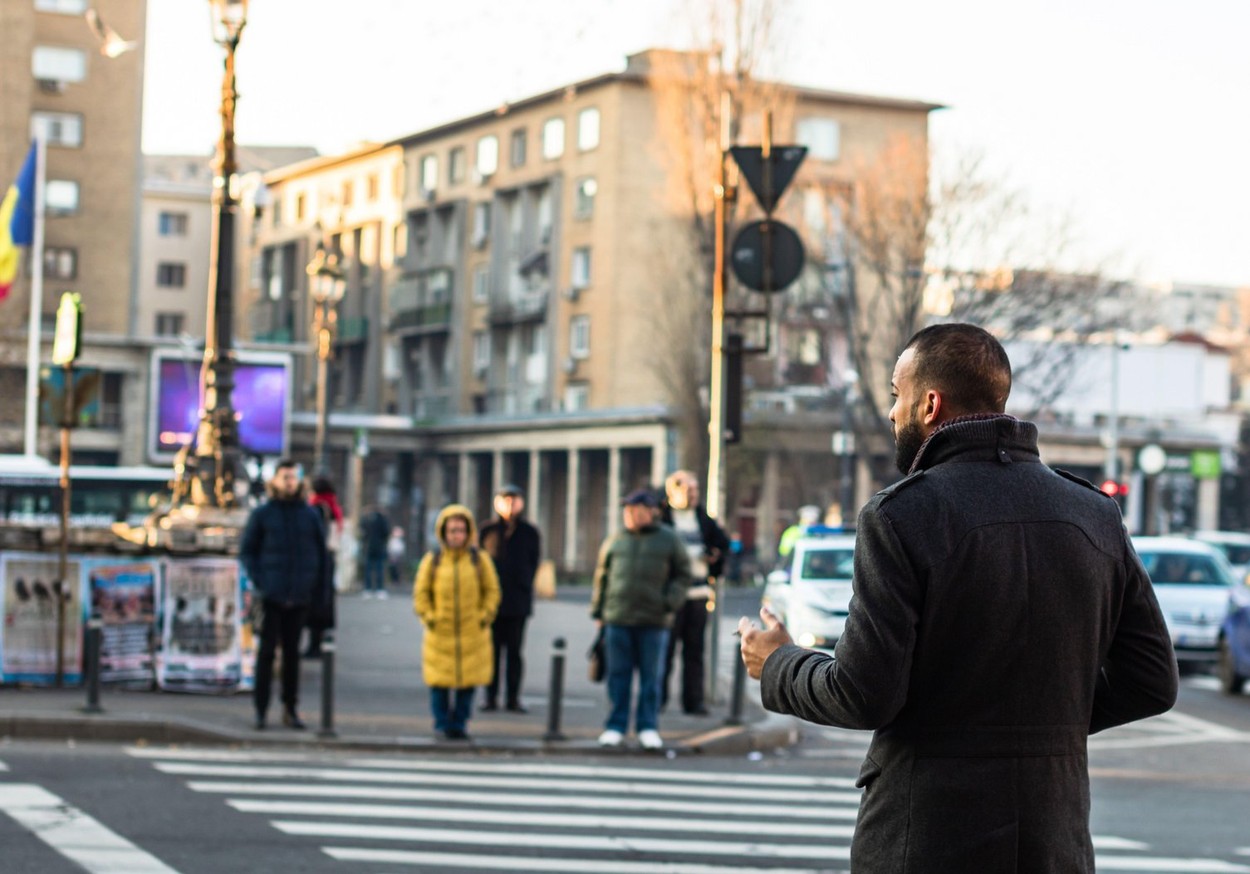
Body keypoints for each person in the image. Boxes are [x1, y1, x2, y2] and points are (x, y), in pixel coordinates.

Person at [739, 323, 1178, 873]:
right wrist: (1043, 722)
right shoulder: (1094, 514)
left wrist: (776, 663)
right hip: (1054, 840)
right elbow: (1152, 682)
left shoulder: (902, 515)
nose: (892, 413)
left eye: (896, 396)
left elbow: (862, 693)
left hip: (926, 837)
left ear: (930, 404)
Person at [591, 488, 692, 750]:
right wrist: (598, 612)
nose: (631, 516)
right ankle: (615, 726)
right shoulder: (616, 539)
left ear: (652, 512)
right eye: (627, 511)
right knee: (618, 676)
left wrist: (669, 602)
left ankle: (648, 727)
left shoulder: (668, 539)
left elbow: (684, 574)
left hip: (654, 621)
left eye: (636, 510)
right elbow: (602, 576)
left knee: (651, 678)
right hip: (618, 618)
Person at [239, 459, 328, 731]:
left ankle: (290, 708)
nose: (290, 481)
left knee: (292, 656)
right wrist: (262, 581)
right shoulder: (264, 513)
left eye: (294, 476)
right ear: (275, 480)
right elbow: (248, 551)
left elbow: (321, 556)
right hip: (271, 595)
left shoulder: (310, 514)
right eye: (285, 476)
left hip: (299, 595)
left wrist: (315, 589)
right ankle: (261, 710)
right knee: (266, 654)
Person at [413, 504, 500, 741]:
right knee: (439, 683)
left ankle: (459, 723)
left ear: (468, 532)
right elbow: (421, 594)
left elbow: (492, 591)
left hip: (472, 631)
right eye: (452, 530)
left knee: (467, 684)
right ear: (443, 532)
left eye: (460, 530)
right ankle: (441, 723)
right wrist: (430, 617)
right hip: (440, 632)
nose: (456, 535)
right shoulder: (433, 561)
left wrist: (485, 616)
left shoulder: (479, 560)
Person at [659, 469, 728, 716]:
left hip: (698, 595)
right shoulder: (662, 518)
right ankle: (658, 700)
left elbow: (722, 544)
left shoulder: (703, 518)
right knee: (664, 652)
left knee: (695, 652)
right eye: (687, 490)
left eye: (696, 490)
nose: (693, 495)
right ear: (672, 492)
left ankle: (694, 701)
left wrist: (714, 557)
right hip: (670, 596)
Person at [478, 484, 542, 713]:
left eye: (515, 500)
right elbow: (480, 563)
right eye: (506, 500)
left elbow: (534, 562)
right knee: (491, 652)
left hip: (517, 602)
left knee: (514, 653)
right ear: (497, 503)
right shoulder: (488, 530)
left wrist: (524, 583)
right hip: (492, 602)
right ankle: (490, 696)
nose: (511, 505)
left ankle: (513, 698)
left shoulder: (529, 532)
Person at [305, 476, 343, 657]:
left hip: (319, 559)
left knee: (315, 604)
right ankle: (318, 643)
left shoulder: (317, 508)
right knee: (323, 602)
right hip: (329, 558)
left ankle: (314, 645)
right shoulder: (333, 507)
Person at [358, 505, 390, 598]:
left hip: (369, 547)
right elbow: (386, 532)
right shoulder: (382, 519)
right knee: (379, 568)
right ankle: (379, 589)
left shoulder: (367, 519)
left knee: (368, 569)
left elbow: (363, 532)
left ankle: (367, 589)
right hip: (380, 547)